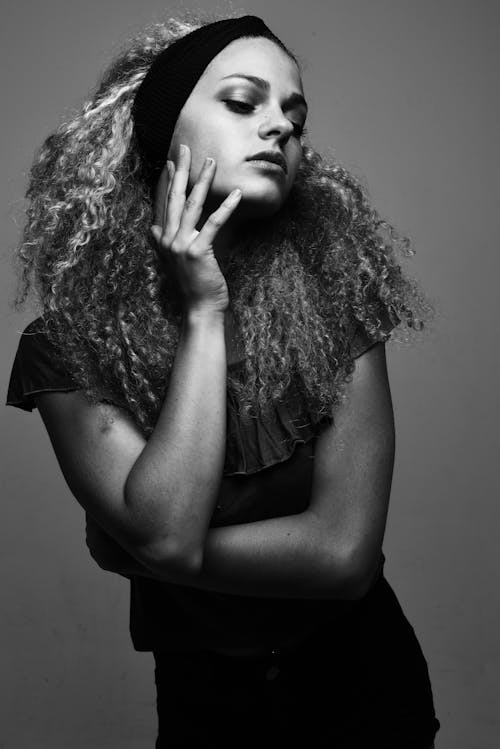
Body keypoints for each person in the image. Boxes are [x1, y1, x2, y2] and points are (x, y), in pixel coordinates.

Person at [5, 11, 441, 749]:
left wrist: (139, 548)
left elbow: (343, 556)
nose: (279, 127)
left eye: (294, 116)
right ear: (163, 128)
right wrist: (205, 312)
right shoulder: (65, 349)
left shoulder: (340, 303)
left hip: (365, 685)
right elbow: (168, 532)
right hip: (204, 703)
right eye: (244, 102)